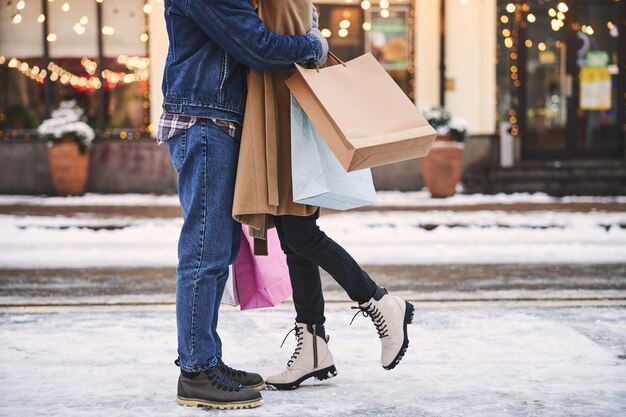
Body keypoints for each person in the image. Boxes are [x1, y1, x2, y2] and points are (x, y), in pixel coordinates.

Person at [230, 0, 415, 392]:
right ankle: (313, 345)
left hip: (285, 117)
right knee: (293, 237)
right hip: (275, 112)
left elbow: (282, 46)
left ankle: (380, 302)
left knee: (299, 235)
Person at [159, 0, 328, 410]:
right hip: (204, 122)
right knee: (204, 250)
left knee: (218, 250)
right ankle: (196, 372)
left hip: (217, 119)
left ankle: (207, 358)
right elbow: (256, 46)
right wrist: (312, 45)